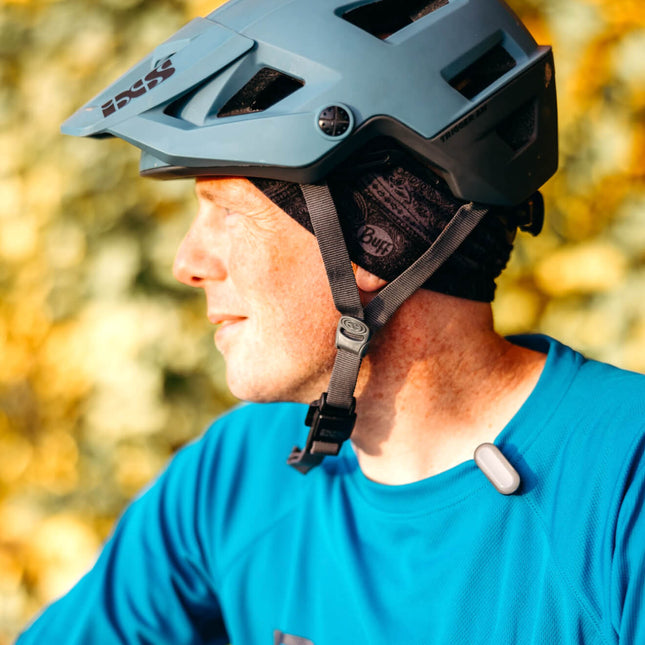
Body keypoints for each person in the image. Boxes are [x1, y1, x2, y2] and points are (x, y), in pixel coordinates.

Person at [18, 0, 645, 643]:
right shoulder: (237, 476)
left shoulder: (623, 479)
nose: (188, 262)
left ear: (372, 241)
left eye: (228, 212)